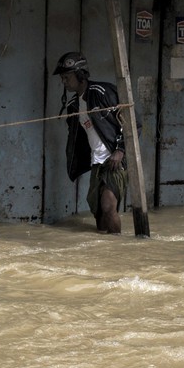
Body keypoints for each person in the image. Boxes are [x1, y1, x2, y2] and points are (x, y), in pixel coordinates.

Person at [54, 51, 127, 234]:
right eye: (62, 77)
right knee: (100, 217)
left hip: (114, 160)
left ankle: (121, 250)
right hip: (97, 162)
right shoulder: (73, 105)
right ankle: (105, 252)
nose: (64, 81)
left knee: (109, 206)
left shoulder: (102, 92)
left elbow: (132, 122)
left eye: (67, 76)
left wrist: (120, 150)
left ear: (80, 75)